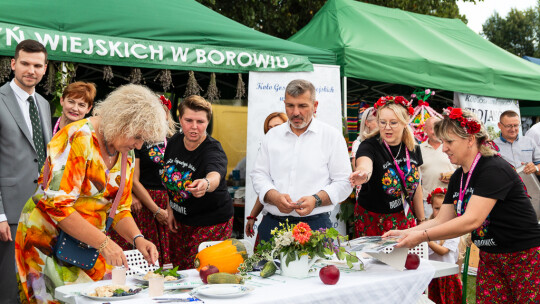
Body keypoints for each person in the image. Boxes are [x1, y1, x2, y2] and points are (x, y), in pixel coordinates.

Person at [15, 84, 165, 303]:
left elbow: (120, 208)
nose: (139, 144)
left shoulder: (126, 152)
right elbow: (57, 205)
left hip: (86, 244)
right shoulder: (77, 138)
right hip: (46, 241)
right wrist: (104, 244)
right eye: (137, 136)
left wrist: (137, 239)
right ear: (121, 122)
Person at [384, 108, 540, 303]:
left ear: (470, 139)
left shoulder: (493, 168)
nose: (444, 148)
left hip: (522, 256)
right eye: (443, 142)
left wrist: (420, 237)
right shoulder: (459, 176)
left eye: (449, 142)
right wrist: (407, 232)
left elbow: (471, 220)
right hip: (491, 256)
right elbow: (442, 219)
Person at [251, 79, 352, 243]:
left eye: (302, 106)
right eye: (290, 105)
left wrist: (316, 200)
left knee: (317, 270)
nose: (295, 112)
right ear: (284, 104)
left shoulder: (331, 136)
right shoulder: (272, 136)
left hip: (315, 225)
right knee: (265, 269)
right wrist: (274, 196)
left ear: (315, 105)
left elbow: (344, 182)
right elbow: (259, 175)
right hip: (273, 224)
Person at [0, 39, 52, 303]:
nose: (31, 70)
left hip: (41, 210)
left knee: (38, 284)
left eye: (37, 65)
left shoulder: (43, 103)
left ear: (45, 69)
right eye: (25, 63)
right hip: (9, 213)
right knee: (9, 286)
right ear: (13, 64)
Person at [161, 95, 233, 270]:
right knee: (180, 271)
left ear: (208, 122)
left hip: (211, 222)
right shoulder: (174, 142)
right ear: (180, 119)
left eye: (200, 121)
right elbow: (169, 179)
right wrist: (171, 208)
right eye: (189, 120)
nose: (194, 127)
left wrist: (206, 184)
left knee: (203, 271)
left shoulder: (213, 149)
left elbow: (215, 174)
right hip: (181, 221)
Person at [109, 95, 177, 266]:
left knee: (166, 254)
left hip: (168, 201)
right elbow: (133, 179)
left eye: (163, 112)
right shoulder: (137, 140)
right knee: (142, 250)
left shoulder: (173, 140)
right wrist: (156, 210)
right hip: (148, 201)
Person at [349, 96, 425, 237]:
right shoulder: (369, 145)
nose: (387, 127)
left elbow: (417, 185)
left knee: (404, 258)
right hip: (373, 220)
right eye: (382, 122)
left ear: (405, 122)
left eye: (393, 122)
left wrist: (421, 220)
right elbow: (365, 164)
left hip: (404, 216)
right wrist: (363, 173)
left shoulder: (413, 147)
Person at [245, 112, 288, 239]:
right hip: (271, 218)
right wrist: (253, 216)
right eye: (269, 128)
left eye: (277, 126)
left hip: (297, 220)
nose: (273, 131)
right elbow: (265, 191)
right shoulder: (266, 153)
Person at [426, 188, 462, 304]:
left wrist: (425, 239)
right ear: (431, 207)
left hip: (447, 275)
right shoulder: (427, 227)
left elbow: (443, 251)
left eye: (443, 209)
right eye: (437, 208)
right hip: (430, 275)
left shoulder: (454, 228)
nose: (440, 212)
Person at [419, 117, 456, 217]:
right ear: (425, 130)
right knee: (428, 229)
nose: (435, 131)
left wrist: (453, 177)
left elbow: (463, 169)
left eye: (437, 128)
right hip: (427, 201)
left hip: (449, 199)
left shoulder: (451, 146)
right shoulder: (419, 149)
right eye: (431, 128)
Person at [494, 110, 540, 175]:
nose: (513, 129)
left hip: (528, 184)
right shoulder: (492, 146)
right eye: (509, 126)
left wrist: (535, 168)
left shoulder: (529, 141)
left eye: (515, 125)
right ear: (499, 125)